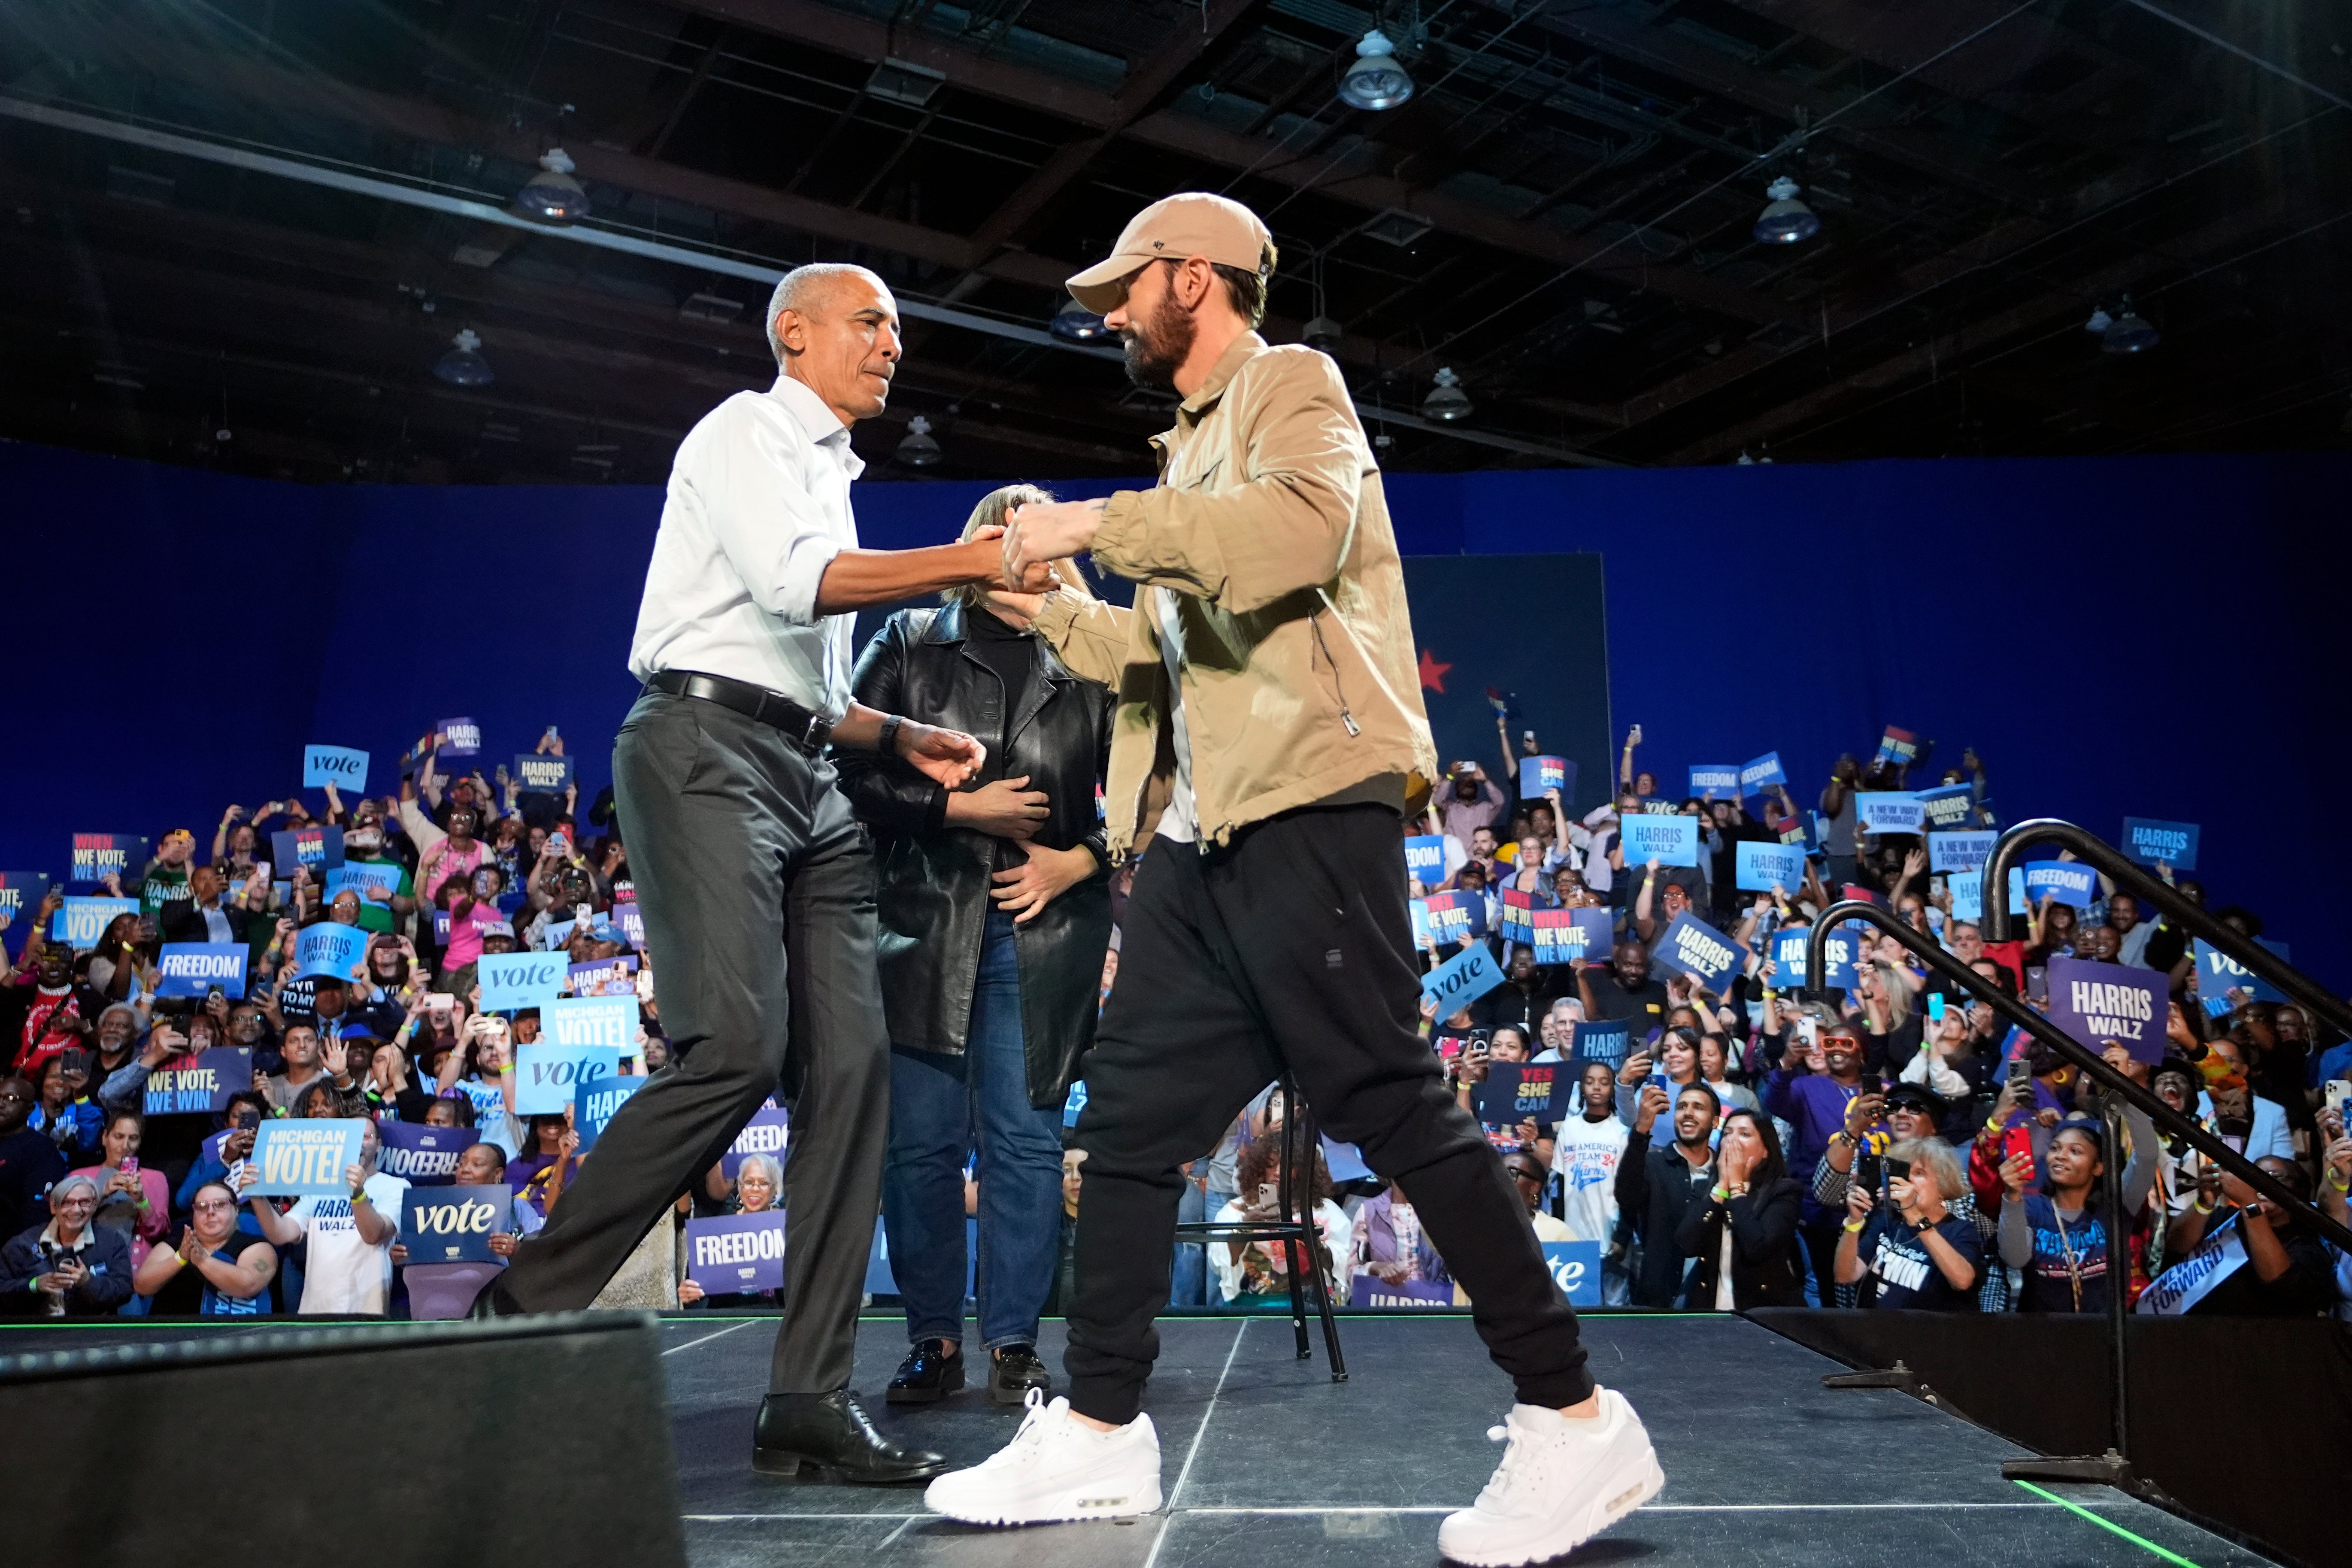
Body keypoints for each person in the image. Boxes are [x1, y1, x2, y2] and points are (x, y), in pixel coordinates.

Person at [931, 194, 1660, 1565]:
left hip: (1310, 810)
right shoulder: (1189, 450)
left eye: (1122, 292)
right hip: (1203, 841)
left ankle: (1572, 1414)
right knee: (1133, 1120)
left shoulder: (1287, 385)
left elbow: (1290, 541)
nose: (1109, 318)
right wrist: (1052, 610)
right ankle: (1096, 1429)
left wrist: (1096, 517)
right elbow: (1162, 658)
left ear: (1188, 279)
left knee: (1386, 1095)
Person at [475, 261, 1020, 1490]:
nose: (895, 342)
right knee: (734, 1045)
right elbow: (793, 586)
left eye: (899, 326)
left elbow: (814, 676)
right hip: (700, 749)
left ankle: (807, 1398)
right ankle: (519, 1313)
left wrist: (892, 732)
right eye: (875, 320)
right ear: (798, 331)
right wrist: (977, 559)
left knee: (854, 1068)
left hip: (808, 767)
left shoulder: (831, 472)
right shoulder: (744, 429)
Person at [837, 482, 1114, 1411]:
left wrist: (1077, 862)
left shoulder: (1096, 649)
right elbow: (843, 771)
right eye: (1005, 530)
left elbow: (1165, 787)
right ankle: (931, 1339)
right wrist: (956, 807)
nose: (1024, 546)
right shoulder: (912, 641)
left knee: (1026, 1144)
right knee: (917, 1146)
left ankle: (1012, 1344)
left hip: (1043, 931)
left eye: (1039, 530)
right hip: (921, 926)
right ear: (979, 543)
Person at [235, 1114, 406, 1315]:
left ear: (378, 1145)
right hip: (314, 1312)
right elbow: (280, 1234)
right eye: (350, 1137)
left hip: (366, 1312)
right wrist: (257, 1196)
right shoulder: (321, 1187)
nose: (357, 1144)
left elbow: (374, 1235)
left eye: (365, 1137)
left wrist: (358, 1195)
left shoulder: (396, 1186)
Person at [1997, 1113, 2157, 1313]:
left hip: (2105, 1336)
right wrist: (2012, 1196)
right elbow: (2015, 1259)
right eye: (2055, 1148)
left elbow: (2147, 1156)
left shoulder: (2117, 1206)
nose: (2060, 1156)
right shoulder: (2030, 1207)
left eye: (2075, 1151)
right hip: (2043, 1335)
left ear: (2098, 1167)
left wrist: (2128, 1100)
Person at [1672, 1107, 1806, 1309]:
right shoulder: (1707, 1188)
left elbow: (1757, 1249)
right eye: (1727, 1134)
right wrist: (1721, 1188)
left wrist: (1737, 1188)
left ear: (1766, 1151)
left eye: (1744, 1134)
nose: (1732, 1141)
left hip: (1763, 1311)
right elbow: (1686, 1245)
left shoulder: (1784, 1191)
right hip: (1710, 1308)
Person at [1837, 1137, 1982, 1310]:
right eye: (1905, 1172)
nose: (1909, 1180)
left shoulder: (1960, 1230)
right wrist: (1854, 1222)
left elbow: (1963, 1281)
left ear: (1943, 1186)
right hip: (1874, 1331)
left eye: (1919, 1173)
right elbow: (1845, 1276)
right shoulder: (1887, 1220)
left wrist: (1915, 1215)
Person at [1613, 1081, 1722, 1307]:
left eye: (1698, 1107)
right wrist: (1641, 1130)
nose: (1688, 1113)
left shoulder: (1724, 1174)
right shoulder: (1652, 1164)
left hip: (1710, 1303)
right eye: (1682, 1107)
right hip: (1656, 1300)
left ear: (1715, 1121)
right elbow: (1626, 1197)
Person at [1206, 1137, 1349, 1305]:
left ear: (1302, 1171)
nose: (1278, 1172)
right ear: (1259, 1168)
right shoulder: (1234, 1211)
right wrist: (1245, 1227)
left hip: (1311, 1304)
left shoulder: (1325, 1210)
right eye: (1271, 1164)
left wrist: (1314, 1243)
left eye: (1288, 1166)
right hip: (1254, 1306)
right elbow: (1220, 1264)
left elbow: (1347, 1262)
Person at [1549, 1060, 1633, 1304]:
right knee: (1580, 1305)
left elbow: (1629, 1186)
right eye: (1590, 1081)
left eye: (1604, 1082)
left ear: (1613, 1089)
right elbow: (1559, 1184)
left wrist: (1624, 1234)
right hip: (1575, 1235)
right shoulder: (1570, 1128)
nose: (1597, 1087)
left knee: (1615, 1304)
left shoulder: (1622, 1129)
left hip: (1611, 1231)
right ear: (1581, 1088)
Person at [133, 1180, 279, 1316]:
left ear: (236, 1210)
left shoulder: (257, 1246)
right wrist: (180, 1258)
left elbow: (248, 1285)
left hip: (231, 1337)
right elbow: (142, 1286)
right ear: (193, 1215)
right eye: (202, 1207)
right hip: (172, 1336)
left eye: (220, 1204)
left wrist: (203, 1261)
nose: (211, 1212)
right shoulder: (176, 1245)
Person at [0, 1174, 133, 1316]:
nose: (76, 1210)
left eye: (85, 1202)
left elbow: (124, 1291)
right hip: (34, 1331)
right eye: (67, 1202)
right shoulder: (23, 1244)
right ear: (53, 1207)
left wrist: (89, 1282)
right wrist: (33, 1286)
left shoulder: (112, 1242)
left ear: (94, 1206)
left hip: (90, 1331)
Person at [678, 1152, 784, 1311]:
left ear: (775, 1190)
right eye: (748, 1182)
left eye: (764, 1183)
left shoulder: (785, 1228)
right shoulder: (718, 1228)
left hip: (775, 1319)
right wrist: (691, 1292)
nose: (755, 1189)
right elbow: (696, 1287)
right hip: (725, 1319)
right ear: (740, 1187)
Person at [71, 1109, 170, 1266]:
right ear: (105, 1138)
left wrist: (142, 1200)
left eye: (133, 1138)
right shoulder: (79, 1177)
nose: (125, 1146)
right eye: (119, 1137)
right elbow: (68, 1223)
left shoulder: (155, 1178)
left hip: (133, 1266)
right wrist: (102, 1192)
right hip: (88, 1263)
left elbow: (159, 1232)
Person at [0, 1075, 67, 1241]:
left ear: (30, 1109)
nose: (1, 1104)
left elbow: (37, 1212)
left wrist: (14, 1253)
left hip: (10, 1249)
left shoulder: (40, 1149)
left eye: (11, 1098)